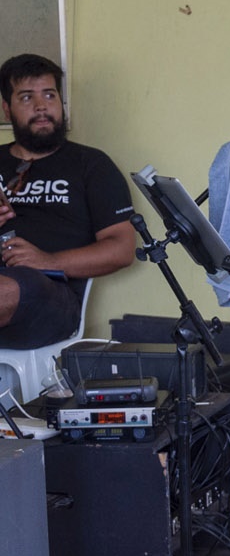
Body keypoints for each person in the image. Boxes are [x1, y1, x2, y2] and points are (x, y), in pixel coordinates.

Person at [0, 53, 135, 349]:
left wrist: (48, 261)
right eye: (27, 97)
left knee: (12, 288)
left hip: (49, 297)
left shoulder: (91, 164)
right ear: (7, 109)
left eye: (49, 95)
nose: (41, 106)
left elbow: (123, 248)